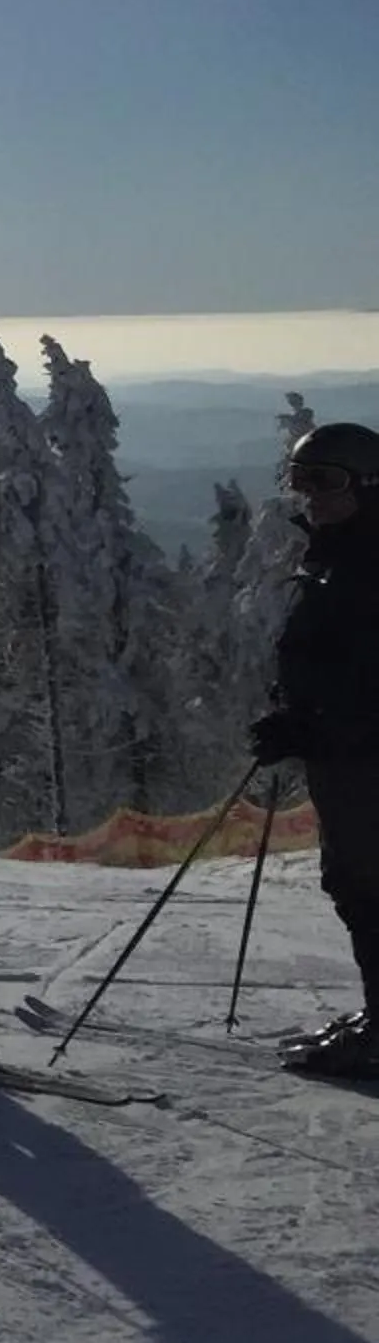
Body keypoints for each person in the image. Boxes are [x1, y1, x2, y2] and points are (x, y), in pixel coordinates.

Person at [249, 421, 379, 1076]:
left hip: (364, 761)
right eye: (301, 481)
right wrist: (293, 716)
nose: (309, 495)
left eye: (325, 481)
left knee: (369, 887)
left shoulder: (366, 562)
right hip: (343, 755)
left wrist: (312, 727)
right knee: (355, 884)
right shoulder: (340, 552)